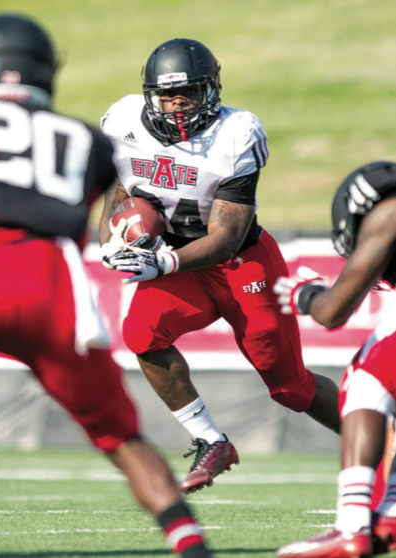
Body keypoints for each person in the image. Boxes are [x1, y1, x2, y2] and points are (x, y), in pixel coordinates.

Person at [0, 13, 213, 558]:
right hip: (48, 286)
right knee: (120, 437)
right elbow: (90, 207)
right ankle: (190, 543)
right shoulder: (86, 138)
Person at [99, 37, 340, 495]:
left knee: (290, 387)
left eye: (187, 94)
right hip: (177, 265)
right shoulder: (123, 120)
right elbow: (118, 193)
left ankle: (383, 448)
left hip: (242, 264)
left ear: (211, 90)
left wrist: (163, 262)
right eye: (167, 95)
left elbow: (226, 236)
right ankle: (211, 440)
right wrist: (110, 241)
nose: (175, 105)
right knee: (142, 335)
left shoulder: (236, 132)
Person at [274, 160, 396, 558]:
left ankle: (352, 524)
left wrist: (304, 294)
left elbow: (332, 312)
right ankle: (391, 515)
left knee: (367, 378)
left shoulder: (387, 211)